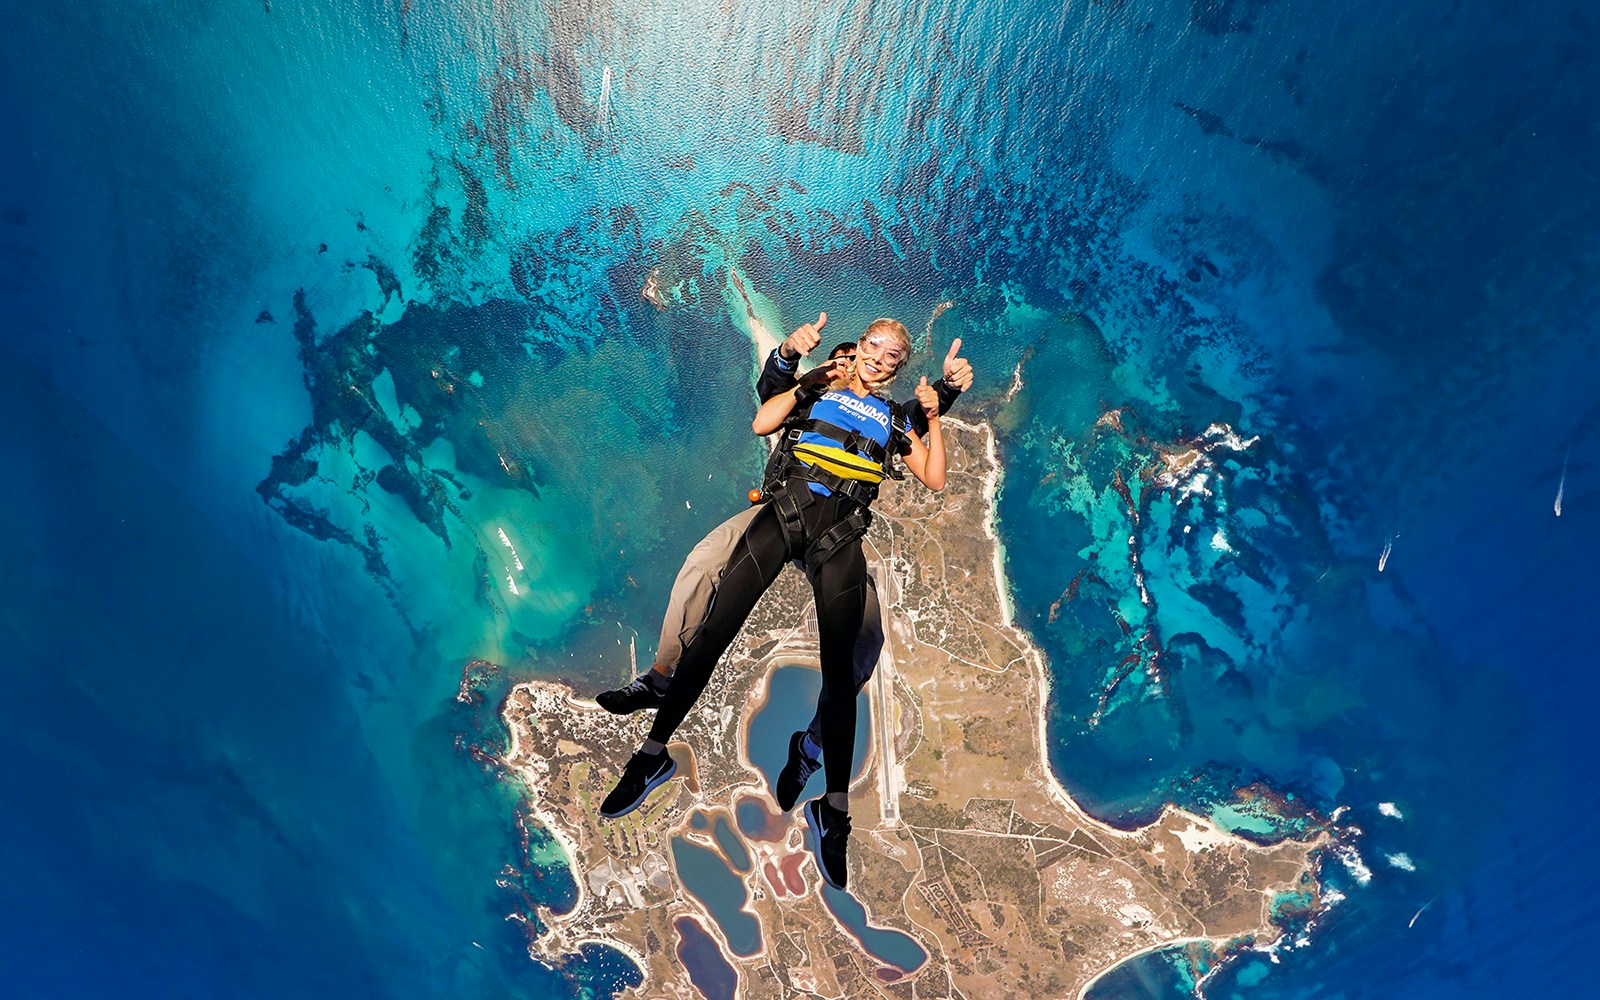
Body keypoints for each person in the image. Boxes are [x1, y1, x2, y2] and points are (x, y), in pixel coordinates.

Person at [599, 317, 949, 891]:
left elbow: (930, 470)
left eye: (892, 356)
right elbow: (765, 414)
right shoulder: (811, 392)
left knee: (848, 669)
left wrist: (938, 407)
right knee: (709, 617)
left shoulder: (891, 417)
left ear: (897, 366)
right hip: (784, 514)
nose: (874, 360)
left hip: (838, 535)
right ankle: (654, 738)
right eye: (869, 349)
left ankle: (830, 807)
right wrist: (801, 366)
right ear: (854, 351)